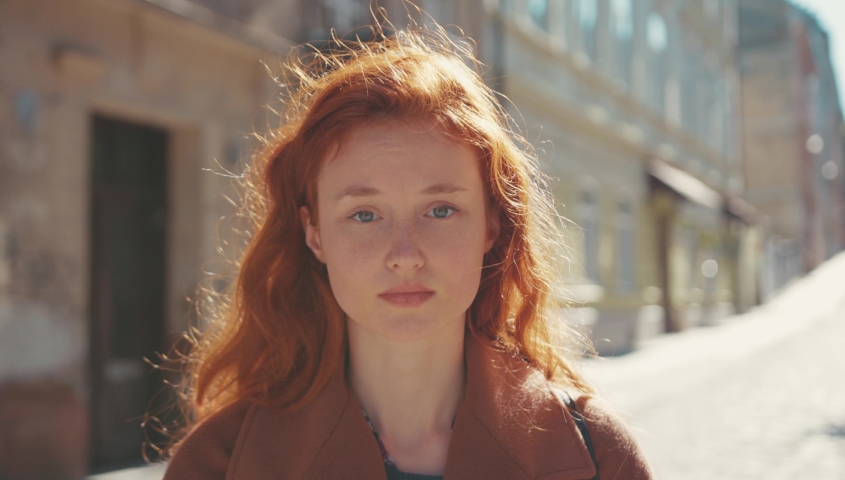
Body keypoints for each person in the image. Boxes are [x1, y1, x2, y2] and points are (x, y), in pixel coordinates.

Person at [162, 17, 654, 480]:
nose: (404, 254)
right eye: (364, 215)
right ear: (314, 234)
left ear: (492, 224)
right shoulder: (219, 462)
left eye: (440, 210)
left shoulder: (599, 457)